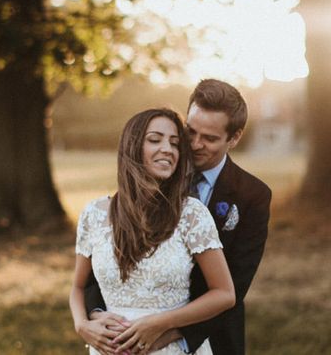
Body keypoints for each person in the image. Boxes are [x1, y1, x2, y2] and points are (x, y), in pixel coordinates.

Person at [83, 79, 272, 355]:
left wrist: (167, 335)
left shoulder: (252, 196)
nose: (194, 145)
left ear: (234, 138)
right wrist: (96, 314)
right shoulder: (155, 176)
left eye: (209, 138)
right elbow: (102, 260)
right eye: (190, 132)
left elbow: (235, 286)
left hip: (212, 337)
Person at [70, 107, 236, 355]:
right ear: (132, 147)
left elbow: (224, 293)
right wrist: (83, 325)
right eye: (155, 140)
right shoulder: (94, 214)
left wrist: (161, 323)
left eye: (175, 143)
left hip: (171, 348)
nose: (167, 149)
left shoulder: (192, 214)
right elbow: (78, 287)